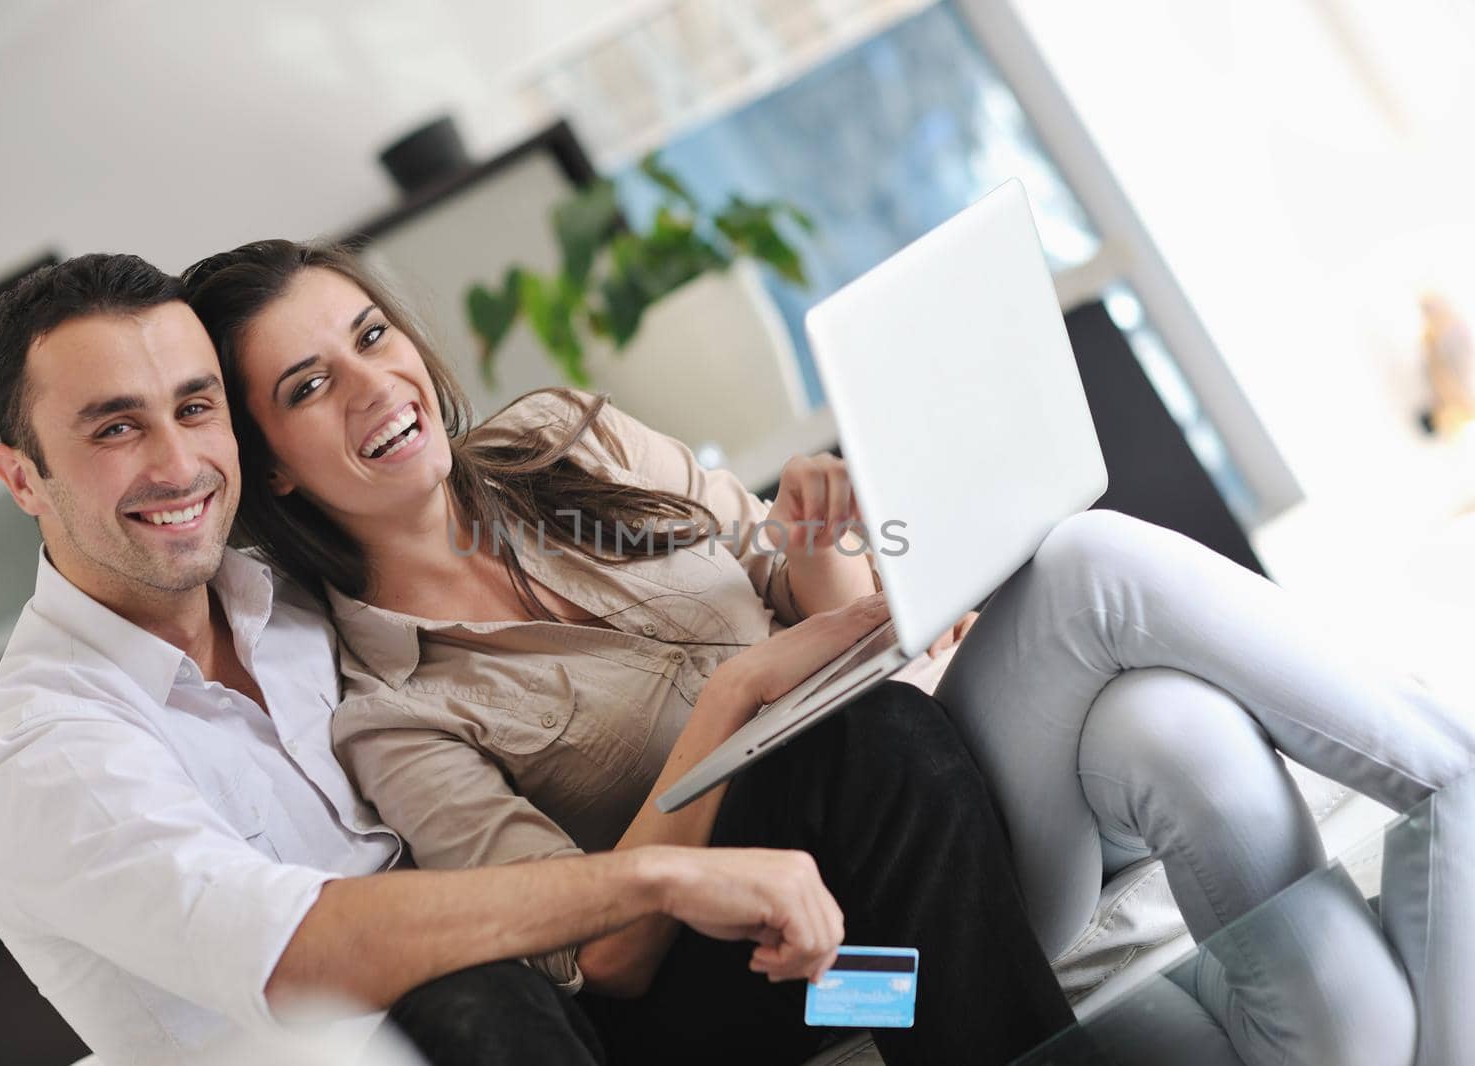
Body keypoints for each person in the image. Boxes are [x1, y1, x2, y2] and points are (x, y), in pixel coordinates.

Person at [186, 238, 1475, 1066]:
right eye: (305, 388)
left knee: (1158, 714)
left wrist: (819, 538)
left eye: (368, 335)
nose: (371, 387)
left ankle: (1448, 790)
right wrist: (735, 700)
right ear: (274, 473)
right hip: (850, 963)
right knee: (1091, 586)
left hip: (935, 770)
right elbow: (603, 956)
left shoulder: (554, 444)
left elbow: (816, 607)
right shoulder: (392, 710)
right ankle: (1453, 773)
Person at [0, 253, 942, 1066]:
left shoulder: (288, 609)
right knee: (465, 990)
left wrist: (887, 601)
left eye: (194, 406)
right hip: (461, 1026)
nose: (176, 463)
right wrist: (660, 874)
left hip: (601, 1016)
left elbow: (792, 570)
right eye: (116, 428)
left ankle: (940, 1006)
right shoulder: (48, 747)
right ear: (22, 477)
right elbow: (298, 949)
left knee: (901, 771)